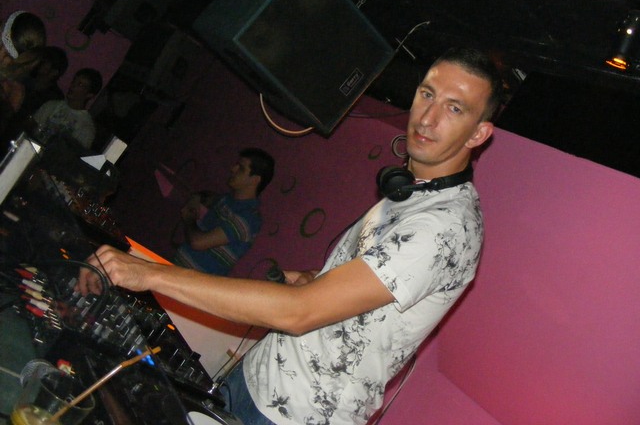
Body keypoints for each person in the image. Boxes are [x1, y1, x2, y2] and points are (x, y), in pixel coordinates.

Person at [79, 47, 502, 425]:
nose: (427, 118)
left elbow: (300, 313)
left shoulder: (445, 226)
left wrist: (148, 273)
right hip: (255, 381)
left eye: (454, 108)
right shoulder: (408, 193)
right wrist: (317, 280)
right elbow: (356, 298)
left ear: (478, 133)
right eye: (427, 94)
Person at [174, 148, 275, 276]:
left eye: (241, 168)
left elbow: (197, 242)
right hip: (178, 272)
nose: (233, 169)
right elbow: (206, 196)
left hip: (193, 282)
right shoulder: (226, 200)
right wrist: (196, 198)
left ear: (254, 180)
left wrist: (189, 218)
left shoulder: (248, 218)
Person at [31, 67, 102, 149]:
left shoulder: (86, 127)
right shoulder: (51, 105)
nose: (73, 86)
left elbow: (74, 153)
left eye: (80, 85)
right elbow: (32, 127)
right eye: (74, 81)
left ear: (89, 94)